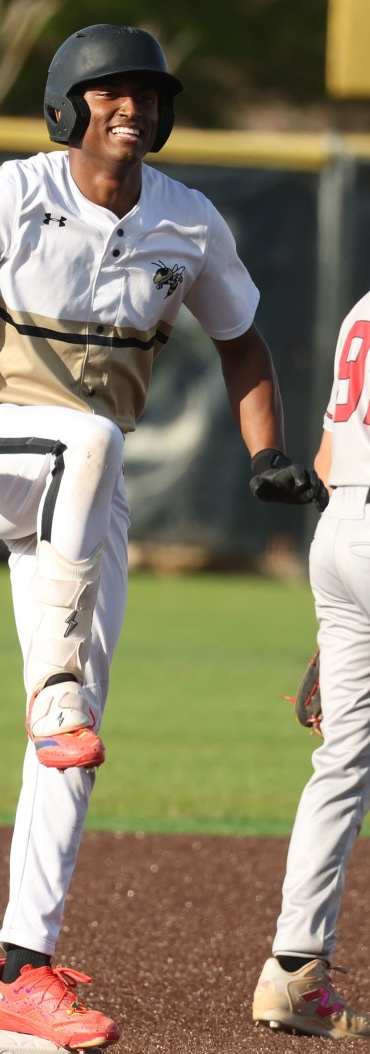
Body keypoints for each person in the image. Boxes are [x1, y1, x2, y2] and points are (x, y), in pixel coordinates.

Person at [0, 24, 327, 1049]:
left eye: (148, 94)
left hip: (80, 487)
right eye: (110, 91)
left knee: (71, 747)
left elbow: (241, 341)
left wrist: (262, 457)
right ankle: (54, 680)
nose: (132, 107)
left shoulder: (186, 222)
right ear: (66, 106)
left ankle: (21, 964)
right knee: (88, 435)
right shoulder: (11, 195)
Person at [253, 290, 370, 1040]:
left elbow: (328, 454)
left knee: (343, 762)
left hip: (341, 531)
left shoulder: (363, 307)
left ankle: (294, 973)